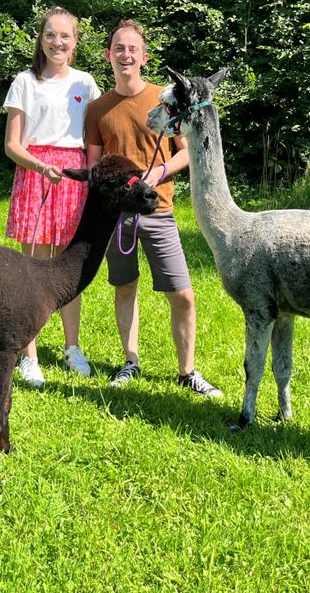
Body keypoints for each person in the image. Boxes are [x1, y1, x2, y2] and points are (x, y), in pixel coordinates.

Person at [84, 20, 222, 398]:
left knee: (182, 294)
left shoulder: (165, 100)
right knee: (125, 287)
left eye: (132, 49)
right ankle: (130, 362)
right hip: (119, 218)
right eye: (118, 48)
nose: (125, 55)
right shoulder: (97, 109)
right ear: (108, 54)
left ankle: (187, 371)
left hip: (159, 210)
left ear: (144, 57)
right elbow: (95, 166)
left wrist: (160, 170)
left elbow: (187, 152)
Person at [3, 7, 101, 388]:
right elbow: (12, 145)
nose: (57, 42)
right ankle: (28, 354)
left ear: (75, 42)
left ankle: (71, 347)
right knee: (33, 266)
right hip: (35, 174)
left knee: (67, 268)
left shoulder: (85, 83)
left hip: (74, 177)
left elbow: (95, 135)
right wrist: (41, 167)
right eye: (50, 35)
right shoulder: (25, 82)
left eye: (65, 36)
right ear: (40, 39)